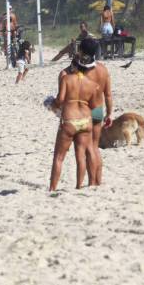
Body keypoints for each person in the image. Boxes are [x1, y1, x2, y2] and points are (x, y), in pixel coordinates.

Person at [49, 45, 101, 191]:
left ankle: (52, 188)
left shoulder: (66, 79)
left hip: (70, 120)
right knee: (81, 155)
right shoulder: (92, 85)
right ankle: (79, 186)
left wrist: (52, 103)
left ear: (76, 65)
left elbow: (60, 99)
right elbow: (94, 106)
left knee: (59, 157)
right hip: (86, 121)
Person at [80, 38, 113, 185]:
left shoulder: (83, 70)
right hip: (99, 110)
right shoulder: (103, 69)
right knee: (95, 147)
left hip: (85, 111)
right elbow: (108, 94)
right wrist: (110, 113)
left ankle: (92, 181)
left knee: (88, 150)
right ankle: (98, 180)